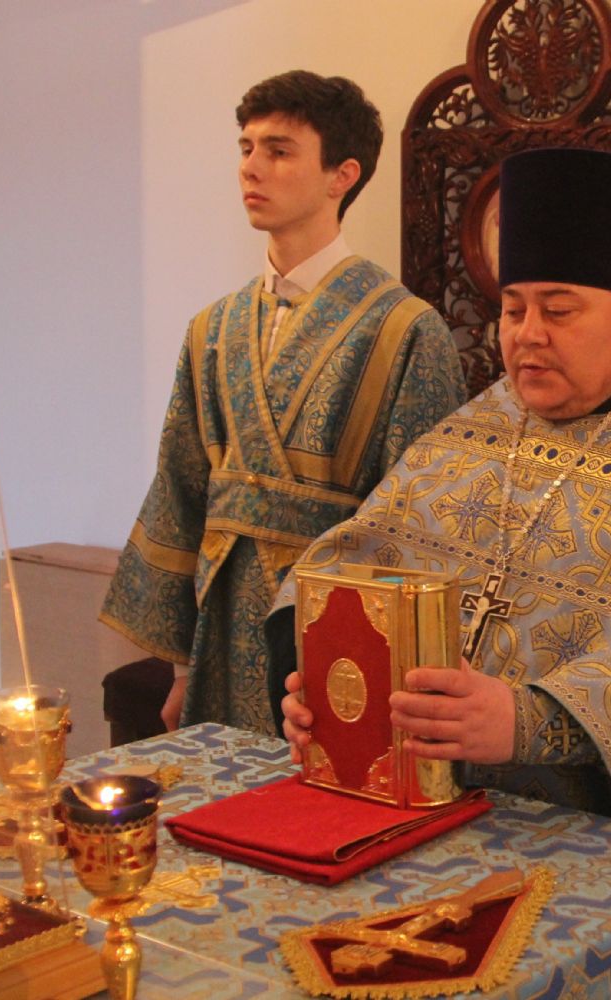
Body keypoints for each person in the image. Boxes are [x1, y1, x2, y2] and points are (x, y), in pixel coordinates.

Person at [270, 147, 611, 998]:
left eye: (559, 310)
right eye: (513, 308)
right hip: (424, 840)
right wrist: (323, 682)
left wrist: (529, 721)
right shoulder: (467, 439)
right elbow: (351, 562)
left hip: (601, 867)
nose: (526, 334)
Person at [101, 71, 466, 735]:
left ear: (342, 176)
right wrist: (180, 666)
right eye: (246, 148)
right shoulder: (213, 328)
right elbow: (180, 490)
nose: (252, 167)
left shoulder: (406, 331)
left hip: (334, 628)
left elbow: (419, 526)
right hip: (220, 622)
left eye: (278, 151)